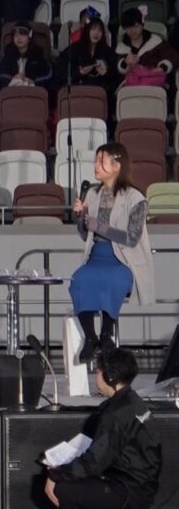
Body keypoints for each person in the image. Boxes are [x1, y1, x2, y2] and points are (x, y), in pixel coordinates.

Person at [45, 348, 162, 509]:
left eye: (98, 371)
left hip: (129, 491)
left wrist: (56, 475)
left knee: (63, 489)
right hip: (141, 485)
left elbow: (94, 462)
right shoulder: (133, 401)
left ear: (110, 376)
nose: (96, 377)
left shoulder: (116, 414)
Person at [69, 144, 154, 362]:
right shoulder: (93, 194)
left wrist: (99, 226)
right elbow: (84, 232)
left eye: (101, 161)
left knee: (112, 281)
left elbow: (131, 237)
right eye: (96, 160)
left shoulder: (135, 198)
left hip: (122, 259)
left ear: (116, 166)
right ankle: (90, 337)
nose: (96, 165)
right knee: (79, 279)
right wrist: (81, 218)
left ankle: (106, 335)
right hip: (97, 254)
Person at [116, 8, 179, 89]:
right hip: (130, 86)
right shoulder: (121, 47)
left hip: (154, 83)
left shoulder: (156, 41)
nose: (133, 31)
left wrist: (162, 67)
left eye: (136, 26)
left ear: (142, 25)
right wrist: (125, 63)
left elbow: (173, 57)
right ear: (124, 28)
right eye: (129, 28)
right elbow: (116, 69)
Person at [58, 17, 118, 93]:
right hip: (77, 88)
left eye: (100, 30)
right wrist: (79, 73)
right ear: (87, 30)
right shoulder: (74, 48)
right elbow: (61, 71)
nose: (96, 33)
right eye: (93, 29)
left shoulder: (108, 51)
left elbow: (115, 75)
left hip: (99, 90)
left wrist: (106, 73)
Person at [0, 23, 52, 90]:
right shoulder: (7, 55)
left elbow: (47, 75)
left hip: (33, 90)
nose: (19, 38)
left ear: (29, 37)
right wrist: (13, 79)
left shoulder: (38, 56)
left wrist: (33, 81)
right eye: (16, 35)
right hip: (10, 89)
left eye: (22, 34)